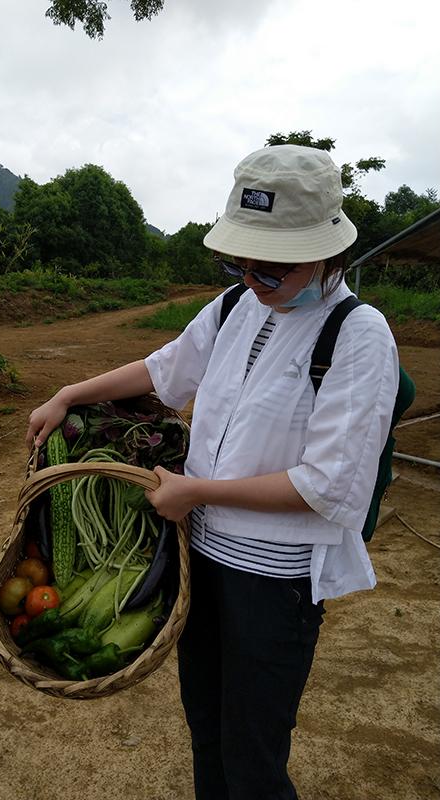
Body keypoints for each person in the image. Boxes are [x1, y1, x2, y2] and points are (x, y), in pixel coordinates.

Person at [25, 145, 399, 800]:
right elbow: (163, 371)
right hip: (197, 562)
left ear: (326, 253)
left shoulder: (357, 334)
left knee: (253, 758)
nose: (253, 279)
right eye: (239, 263)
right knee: (206, 731)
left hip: (272, 585)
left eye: (272, 270)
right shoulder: (235, 306)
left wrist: (198, 490)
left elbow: (326, 485)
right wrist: (68, 393)